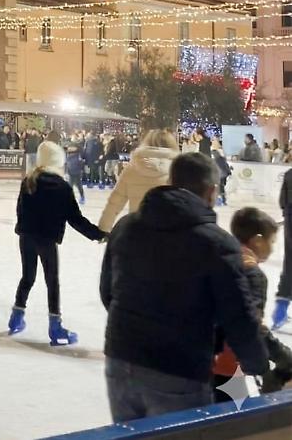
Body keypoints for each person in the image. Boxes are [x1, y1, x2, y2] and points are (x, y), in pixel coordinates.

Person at [100, 152, 267, 422]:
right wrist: (258, 365)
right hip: (178, 369)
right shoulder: (217, 244)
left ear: (171, 181)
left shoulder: (127, 226)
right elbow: (237, 316)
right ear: (212, 191)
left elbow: (108, 291)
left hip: (121, 359)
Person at [8, 141, 105, 344]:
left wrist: (25, 228)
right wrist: (98, 234)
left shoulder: (29, 181)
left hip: (27, 237)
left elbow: (20, 210)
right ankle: (55, 327)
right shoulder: (62, 187)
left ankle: (15, 318)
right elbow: (75, 219)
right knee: (52, 281)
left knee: (27, 277)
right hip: (47, 239)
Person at [211, 208, 292, 399]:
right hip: (228, 364)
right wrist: (275, 358)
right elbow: (250, 325)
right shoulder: (253, 274)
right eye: (271, 241)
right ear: (257, 240)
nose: (272, 248)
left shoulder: (222, 259)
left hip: (203, 357)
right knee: (235, 419)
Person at [98, 129, 179, 233]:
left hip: (138, 231)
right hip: (170, 232)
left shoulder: (132, 168)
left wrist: (103, 228)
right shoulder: (179, 169)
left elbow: (114, 202)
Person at [274, 169, 292, 330]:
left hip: (290, 223)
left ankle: (279, 313)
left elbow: (282, 202)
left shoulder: (288, 174)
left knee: (289, 266)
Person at [65, 135, 86, 205]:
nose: (70, 148)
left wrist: (81, 169)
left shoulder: (78, 153)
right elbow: (67, 163)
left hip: (77, 172)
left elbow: (81, 161)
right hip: (71, 171)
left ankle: (82, 196)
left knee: (79, 185)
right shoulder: (68, 154)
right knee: (70, 186)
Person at [212, 139, 232, 206]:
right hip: (223, 176)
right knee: (221, 188)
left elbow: (216, 168)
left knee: (220, 188)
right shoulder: (221, 159)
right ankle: (222, 200)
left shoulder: (216, 160)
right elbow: (226, 166)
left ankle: (221, 201)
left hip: (220, 176)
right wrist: (229, 172)